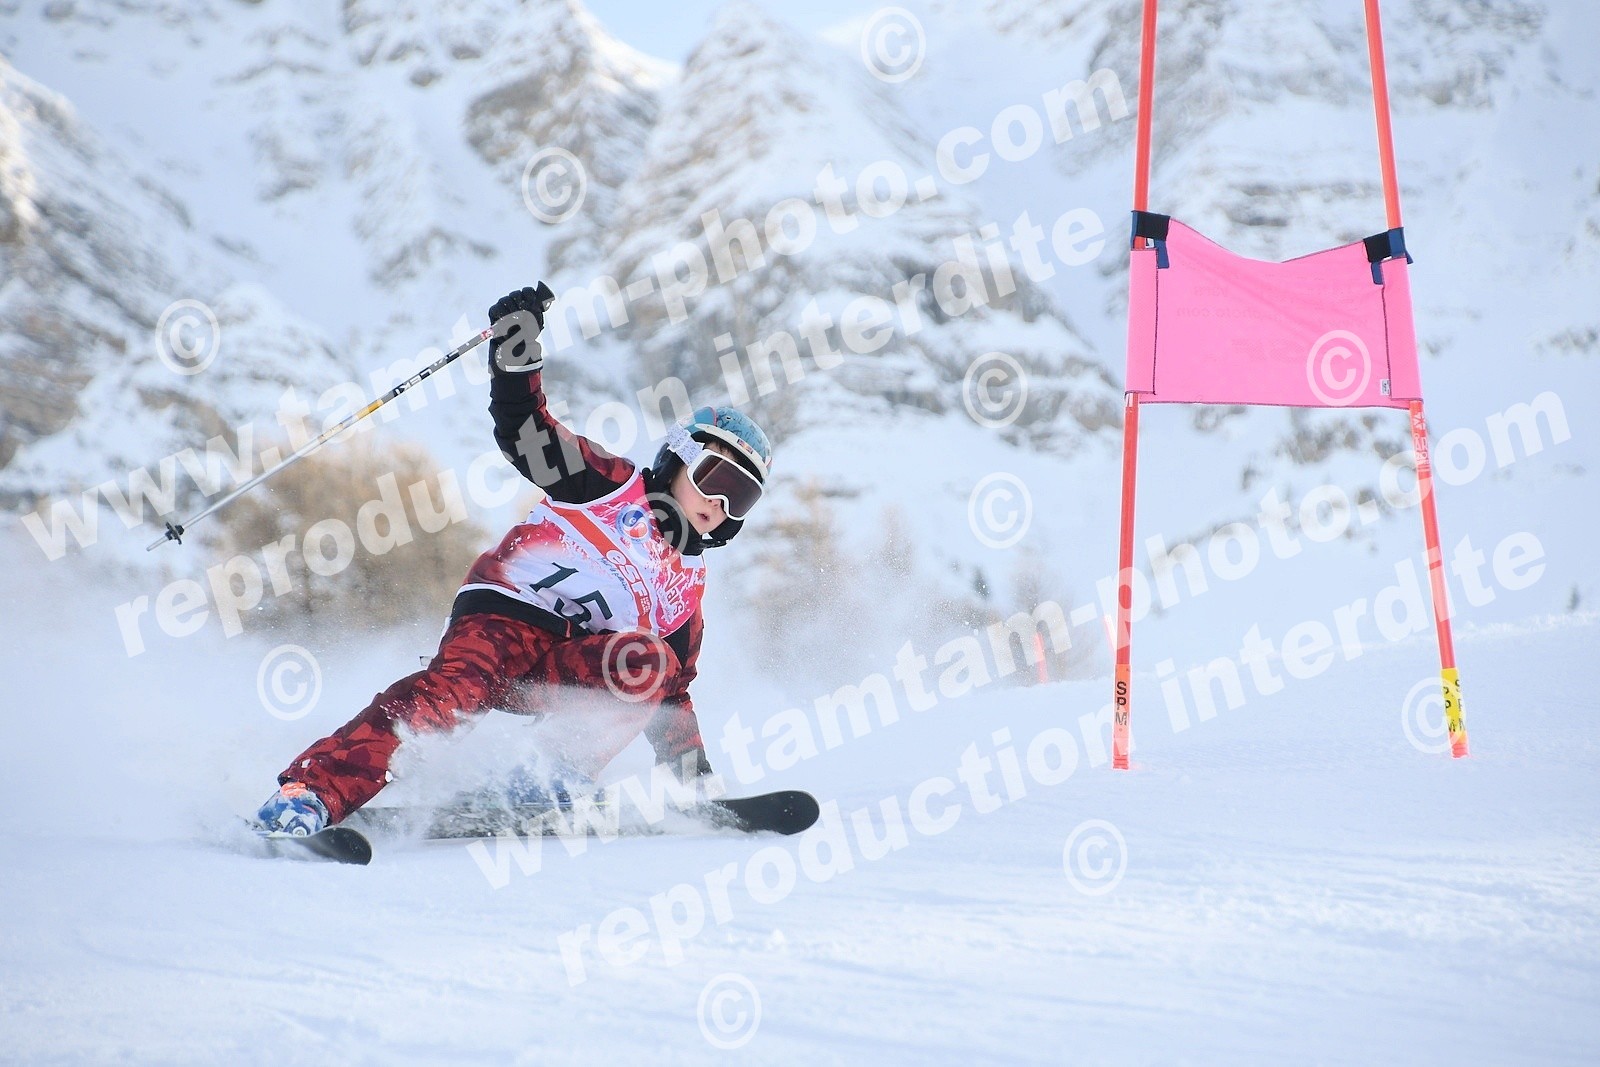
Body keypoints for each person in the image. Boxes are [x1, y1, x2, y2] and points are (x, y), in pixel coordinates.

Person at [255, 283, 773, 835]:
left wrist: (699, 791)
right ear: (677, 458)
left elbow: (672, 698)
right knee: (451, 699)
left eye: (740, 497)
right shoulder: (609, 485)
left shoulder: (685, 591)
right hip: (505, 619)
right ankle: (311, 794)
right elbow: (526, 431)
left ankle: (542, 780)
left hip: (560, 668)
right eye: (715, 479)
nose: (719, 505)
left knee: (652, 663)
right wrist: (516, 352)